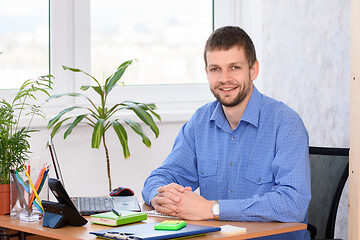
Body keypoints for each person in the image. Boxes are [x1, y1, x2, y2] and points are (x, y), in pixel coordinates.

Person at [142, 26, 311, 239]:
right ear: (207, 73)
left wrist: (213, 209)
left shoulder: (286, 124)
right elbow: (161, 176)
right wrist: (160, 197)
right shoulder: (200, 122)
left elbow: (292, 202)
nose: (224, 79)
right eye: (215, 69)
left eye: (234, 68)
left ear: (253, 70)